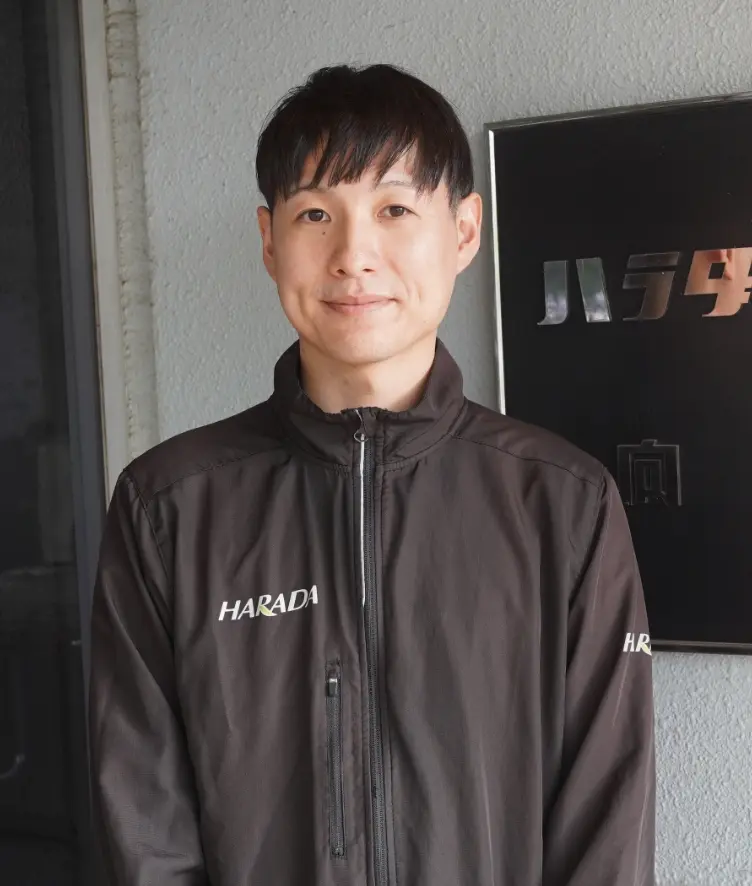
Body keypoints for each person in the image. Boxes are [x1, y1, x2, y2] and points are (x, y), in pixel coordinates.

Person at [89, 63, 656, 886]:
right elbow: (146, 827)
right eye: (316, 214)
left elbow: (608, 825)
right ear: (269, 240)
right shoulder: (168, 506)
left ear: (464, 231)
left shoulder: (564, 504)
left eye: (395, 209)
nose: (354, 256)